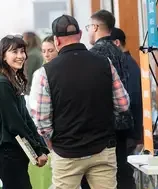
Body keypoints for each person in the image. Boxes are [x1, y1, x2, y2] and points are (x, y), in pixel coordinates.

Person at [32, 14, 130, 189]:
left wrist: (52, 143)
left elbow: (41, 121)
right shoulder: (104, 63)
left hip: (66, 151)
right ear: (79, 34)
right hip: (102, 148)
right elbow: (123, 104)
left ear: (56, 41)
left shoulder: (46, 72)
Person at [0, 35, 49, 189]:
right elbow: (14, 122)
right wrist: (37, 149)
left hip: (14, 152)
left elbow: (26, 118)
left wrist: (40, 147)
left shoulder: (13, 79)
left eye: (22, 51)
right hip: (6, 152)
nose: (20, 56)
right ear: (3, 55)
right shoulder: (1, 82)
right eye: (14, 52)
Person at [86, 10, 134, 189]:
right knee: (122, 170)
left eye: (89, 27)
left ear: (96, 27)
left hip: (106, 124)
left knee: (105, 176)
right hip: (124, 120)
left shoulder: (95, 54)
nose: (89, 31)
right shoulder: (119, 51)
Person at [110, 27, 143, 188]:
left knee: (123, 174)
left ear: (116, 43)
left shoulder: (127, 64)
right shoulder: (128, 63)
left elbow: (131, 100)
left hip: (128, 131)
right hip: (129, 130)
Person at [28, 35, 58, 189]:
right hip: (46, 128)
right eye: (44, 51)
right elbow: (34, 104)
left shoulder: (61, 71)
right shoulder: (39, 73)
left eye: (50, 50)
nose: (46, 54)